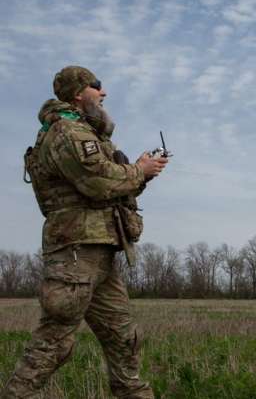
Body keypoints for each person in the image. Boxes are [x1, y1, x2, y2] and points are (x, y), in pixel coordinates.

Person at [2, 66, 167, 398]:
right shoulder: (67, 132)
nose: (104, 93)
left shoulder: (85, 133)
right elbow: (98, 183)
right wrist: (138, 170)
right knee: (54, 343)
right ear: (79, 93)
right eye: (97, 86)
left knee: (124, 339)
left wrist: (141, 174)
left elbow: (110, 189)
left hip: (99, 250)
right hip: (76, 254)